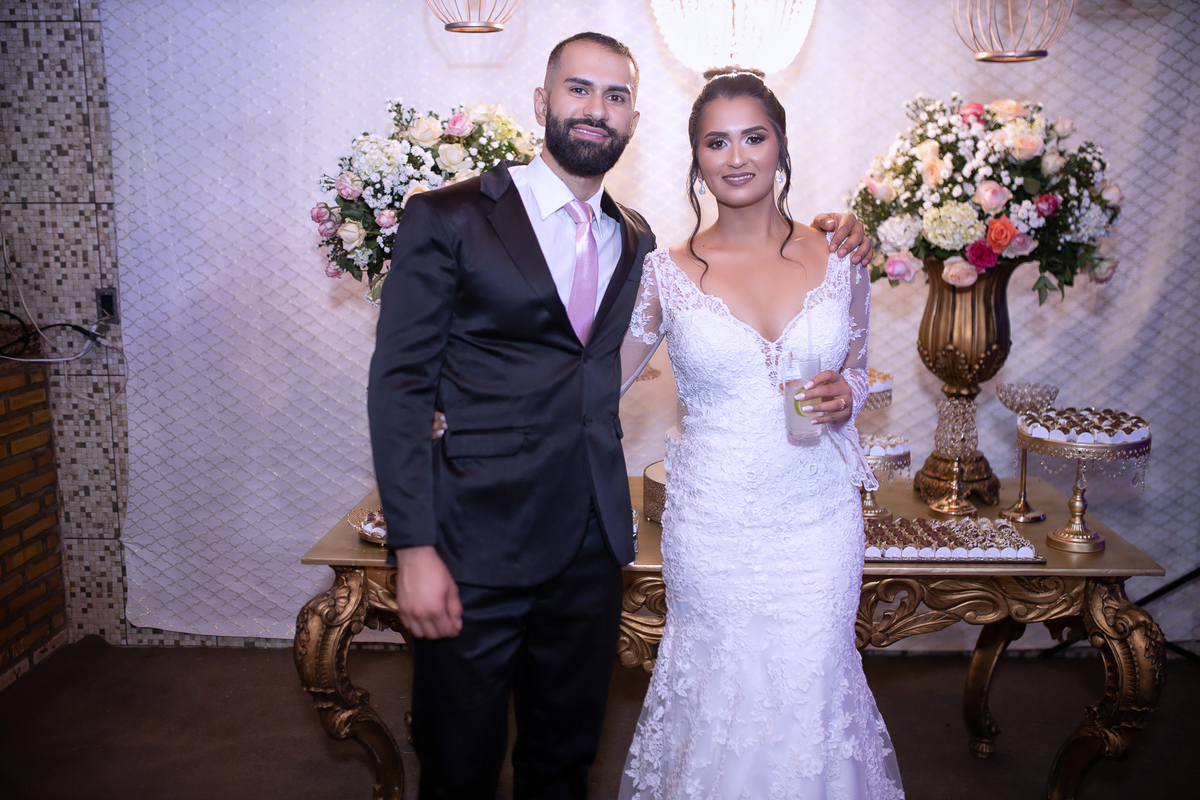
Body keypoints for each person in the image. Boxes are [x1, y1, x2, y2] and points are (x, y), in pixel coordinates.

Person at [369, 34, 873, 799]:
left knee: (570, 756)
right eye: (578, 90)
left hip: (722, 527)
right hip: (516, 530)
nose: (737, 156)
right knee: (462, 761)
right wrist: (431, 480)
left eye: (614, 96)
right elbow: (414, 380)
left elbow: (594, 375)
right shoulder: (478, 222)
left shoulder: (640, 240)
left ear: (634, 119)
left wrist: (850, 392)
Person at [616, 69, 905, 799]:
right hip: (713, 526)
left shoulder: (841, 256)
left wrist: (849, 392)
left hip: (817, 519)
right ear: (696, 158)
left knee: (813, 686)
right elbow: (594, 382)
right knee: (719, 691)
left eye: (754, 137)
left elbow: (858, 369)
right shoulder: (664, 272)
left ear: (781, 146)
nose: (737, 156)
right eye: (717, 142)